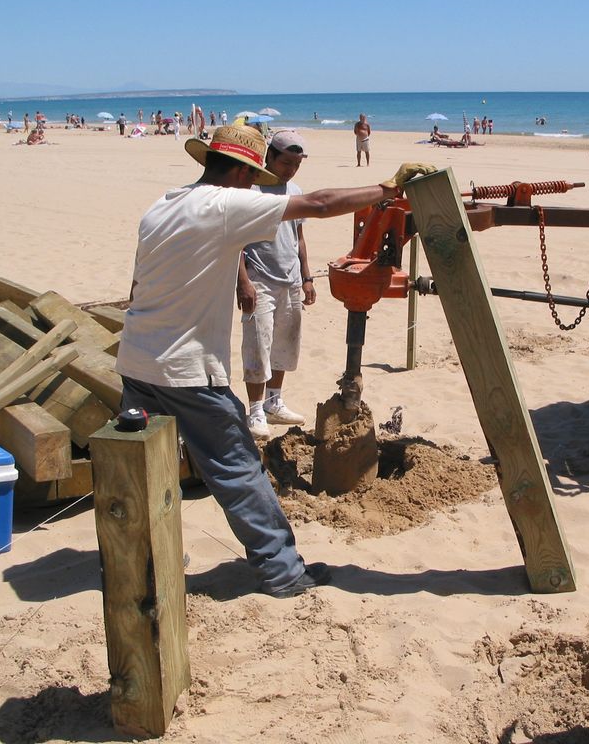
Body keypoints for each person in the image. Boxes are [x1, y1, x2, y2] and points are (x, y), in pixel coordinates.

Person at [115, 124, 434, 597]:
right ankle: (283, 572)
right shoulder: (225, 205)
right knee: (238, 469)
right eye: (254, 178)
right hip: (187, 372)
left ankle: (140, 558)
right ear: (243, 174)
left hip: (136, 360)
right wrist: (389, 188)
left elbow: (136, 290)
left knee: (144, 468)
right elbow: (321, 205)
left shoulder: (161, 206)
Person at [236, 130, 312, 440]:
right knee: (257, 345)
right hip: (259, 279)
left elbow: (299, 237)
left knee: (284, 343)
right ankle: (255, 410)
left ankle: (273, 401)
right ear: (270, 157)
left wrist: (307, 278)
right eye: (285, 162)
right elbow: (235, 242)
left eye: (296, 163)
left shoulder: (294, 190)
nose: (290, 169)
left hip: (290, 279)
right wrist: (242, 281)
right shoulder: (251, 190)